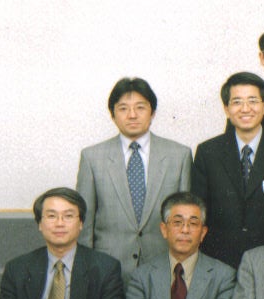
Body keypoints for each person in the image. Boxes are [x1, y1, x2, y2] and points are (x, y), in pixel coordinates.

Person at [77, 77, 192, 274]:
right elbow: (85, 223)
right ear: (113, 115)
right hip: (107, 267)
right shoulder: (92, 157)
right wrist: (87, 270)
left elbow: (187, 218)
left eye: (140, 107)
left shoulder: (179, 155)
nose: (132, 115)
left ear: (152, 112)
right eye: (123, 108)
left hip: (164, 264)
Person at [194, 72, 264, 268]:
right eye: (237, 102)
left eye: (253, 101)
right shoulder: (208, 152)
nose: (245, 109)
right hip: (219, 260)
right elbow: (199, 209)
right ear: (227, 109)